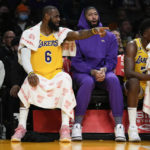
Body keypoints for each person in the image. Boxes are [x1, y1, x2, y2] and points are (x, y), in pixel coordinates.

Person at [11, 5, 108, 142]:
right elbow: (25, 56)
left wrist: (93, 31)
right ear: (46, 16)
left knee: (65, 78)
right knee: (26, 85)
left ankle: (64, 128)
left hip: (55, 74)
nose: (59, 19)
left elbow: (78, 35)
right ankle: (21, 127)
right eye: (56, 16)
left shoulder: (60, 32)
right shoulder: (30, 33)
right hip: (37, 75)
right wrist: (31, 72)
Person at [71, 6, 126, 142]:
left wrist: (104, 70)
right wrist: (91, 71)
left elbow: (112, 60)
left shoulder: (109, 36)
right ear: (84, 17)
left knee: (113, 80)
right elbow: (76, 62)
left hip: (103, 72)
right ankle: (77, 124)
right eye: (90, 15)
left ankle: (119, 125)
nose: (94, 17)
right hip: (84, 73)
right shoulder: (76, 36)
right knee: (88, 82)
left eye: (95, 14)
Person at [124, 19, 150, 142]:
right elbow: (129, 73)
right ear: (144, 33)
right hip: (134, 86)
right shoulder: (133, 45)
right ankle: (133, 127)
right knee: (134, 81)